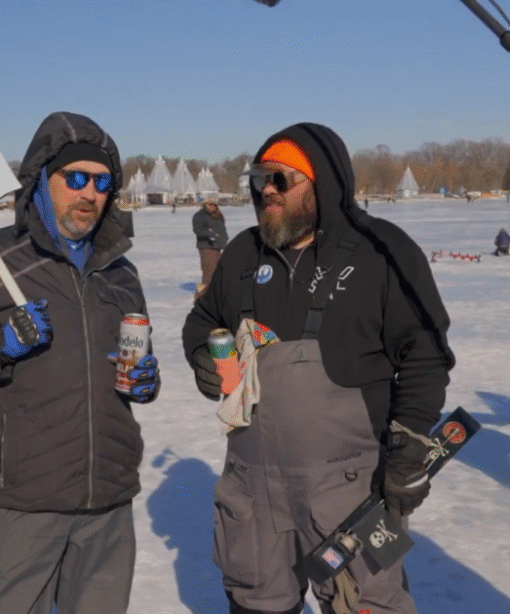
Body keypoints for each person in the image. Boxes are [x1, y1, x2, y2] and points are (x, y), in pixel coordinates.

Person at [182, 123, 454, 614]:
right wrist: (203, 356)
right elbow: (203, 322)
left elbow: (426, 354)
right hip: (252, 485)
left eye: (280, 180)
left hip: (353, 488)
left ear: (321, 184)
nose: (266, 190)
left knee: (370, 602)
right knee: (253, 601)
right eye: (259, 178)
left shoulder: (383, 251)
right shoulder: (243, 253)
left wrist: (410, 446)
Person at [0, 111, 159, 614]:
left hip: (107, 495)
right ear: (42, 178)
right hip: (24, 499)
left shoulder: (120, 271)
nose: (90, 193)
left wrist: (145, 381)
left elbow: (132, 361)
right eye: (77, 178)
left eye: (103, 181)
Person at [191, 199, 228, 299]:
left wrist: (224, 240)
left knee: (217, 273)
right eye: (210, 204)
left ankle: (213, 297)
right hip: (206, 247)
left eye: (215, 205)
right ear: (205, 204)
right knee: (209, 274)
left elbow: (222, 230)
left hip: (217, 248)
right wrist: (210, 234)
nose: (213, 206)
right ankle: (200, 297)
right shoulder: (200, 215)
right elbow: (198, 229)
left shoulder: (217, 216)